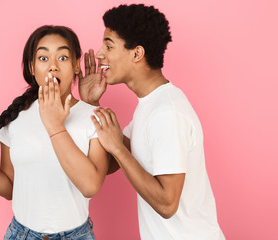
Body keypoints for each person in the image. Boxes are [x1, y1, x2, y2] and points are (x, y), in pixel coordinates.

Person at [79, 4, 225, 240]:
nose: (99, 54)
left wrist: (117, 147)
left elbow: (167, 204)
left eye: (108, 45)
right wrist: (91, 104)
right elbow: (109, 164)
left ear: (137, 53)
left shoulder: (166, 112)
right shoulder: (151, 105)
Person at [0, 25, 109, 240]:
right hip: (21, 235)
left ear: (77, 65)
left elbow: (90, 186)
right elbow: (10, 188)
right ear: (31, 67)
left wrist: (53, 124)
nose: (53, 67)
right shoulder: (15, 118)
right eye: (43, 58)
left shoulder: (94, 116)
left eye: (63, 58)